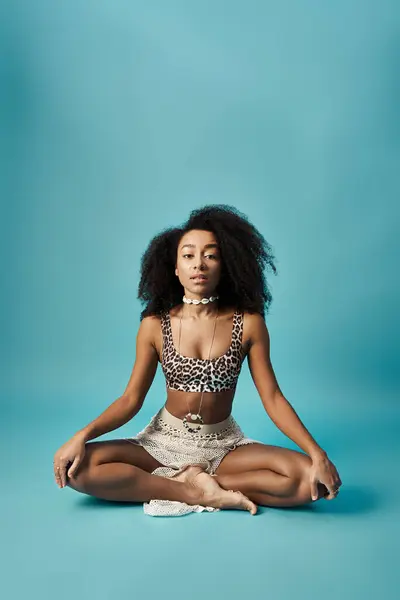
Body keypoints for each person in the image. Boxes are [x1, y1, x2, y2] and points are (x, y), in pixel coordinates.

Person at [53, 204, 342, 517]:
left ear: (224, 265)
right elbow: (130, 399)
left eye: (211, 255)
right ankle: (190, 489)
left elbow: (272, 398)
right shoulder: (154, 324)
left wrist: (317, 453)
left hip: (223, 446)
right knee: (78, 469)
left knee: (309, 480)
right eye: (188, 255)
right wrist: (81, 436)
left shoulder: (250, 323)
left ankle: (209, 482)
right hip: (162, 443)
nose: (199, 264)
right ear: (175, 268)